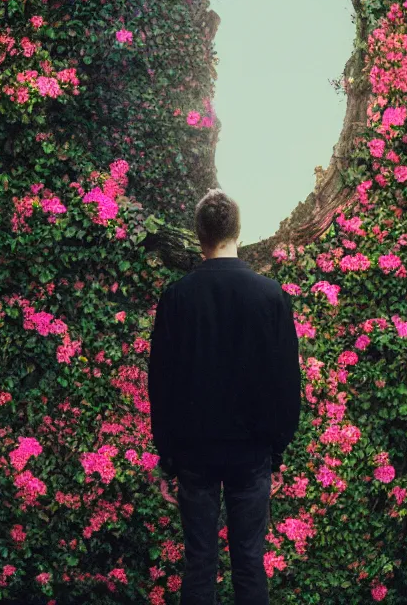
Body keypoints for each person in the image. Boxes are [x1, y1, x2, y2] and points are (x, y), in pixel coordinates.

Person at [148, 188, 302, 605]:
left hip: (194, 455)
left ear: (199, 235)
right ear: (237, 230)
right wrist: (277, 453)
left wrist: (167, 458)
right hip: (251, 455)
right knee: (250, 561)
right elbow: (288, 384)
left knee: (199, 563)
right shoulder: (271, 296)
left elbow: (161, 386)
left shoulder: (176, 298)